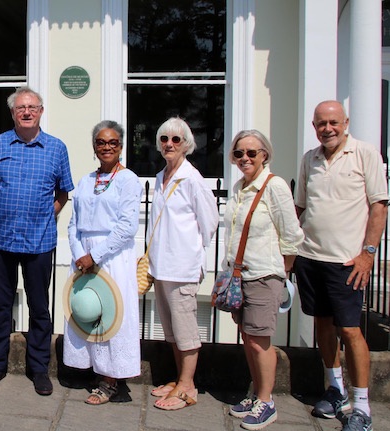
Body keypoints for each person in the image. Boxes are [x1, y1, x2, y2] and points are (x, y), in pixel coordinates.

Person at [294, 101, 388, 431]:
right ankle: (336, 391)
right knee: (322, 325)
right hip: (310, 258)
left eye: (333, 122)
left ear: (345, 122)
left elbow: (379, 206)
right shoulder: (310, 158)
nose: (327, 128)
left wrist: (368, 254)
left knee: (350, 330)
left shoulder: (365, 153)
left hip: (347, 262)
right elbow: (300, 208)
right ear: (314, 125)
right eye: (321, 123)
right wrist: (290, 250)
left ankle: (362, 406)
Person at [0, 86, 74, 396]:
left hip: (39, 242)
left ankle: (39, 370)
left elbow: (64, 193)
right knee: (0, 306)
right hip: (1, 240)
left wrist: (47, 214)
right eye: (21, 108)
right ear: (13, 113)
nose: (27, 112)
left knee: (39, 307)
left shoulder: (57, 148)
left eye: (32, 107)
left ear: (41, 111)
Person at [224, 130, 304, 430]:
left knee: (260, 342)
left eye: (251, 153)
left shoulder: (275, 186)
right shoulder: (239, 187)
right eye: (239, 153)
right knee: (248, 337)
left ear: (264, 155)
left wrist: (281, 273)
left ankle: (267, 402)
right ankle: (258, 393)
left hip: (263, 275)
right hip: (239, 275)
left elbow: (292, 236)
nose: (245, 158)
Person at [64, 120, 142, 404]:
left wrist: (95, 256)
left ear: (121, 146)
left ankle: (111, 380)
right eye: (101, 142)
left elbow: (126, 227)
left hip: (112, 256)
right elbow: (73, 223)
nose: (106, 147)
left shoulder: (128, 180)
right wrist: (77, 253)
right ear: (94, 147)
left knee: (112, 315)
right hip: (83, 254)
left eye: (113, 142)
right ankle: (94, 370)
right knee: (87, 311)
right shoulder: (86, 180)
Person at [147, 118, 218, 410]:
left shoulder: (192, 179)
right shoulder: (160, 176)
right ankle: (179, 379)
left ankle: (189, 387)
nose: (169, 144)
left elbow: (210, 223)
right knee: (172, 330)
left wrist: (189, 252)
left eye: (176, 139)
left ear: (186, 144)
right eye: (164, 138)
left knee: (186, 328)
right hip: (161, 266)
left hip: (182, 266)